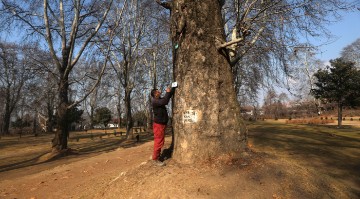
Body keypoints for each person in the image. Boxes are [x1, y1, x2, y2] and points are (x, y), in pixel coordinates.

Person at [150, 86, 175, 166]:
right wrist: (167, 92)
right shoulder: (155, 101)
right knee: (159, 141)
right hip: (158, 125)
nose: (159, 92)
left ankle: (156, 156)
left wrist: (172, 90)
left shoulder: (159, 99)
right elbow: (165, 101)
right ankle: (155, 159)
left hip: (161, 124)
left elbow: (165, 98)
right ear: (155, 94)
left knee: (161, 141)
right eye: (157, 91)